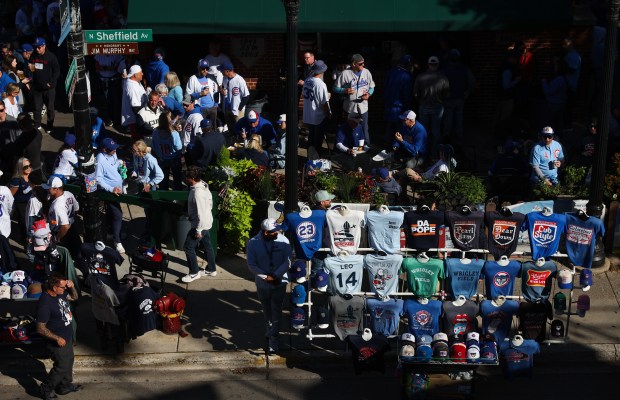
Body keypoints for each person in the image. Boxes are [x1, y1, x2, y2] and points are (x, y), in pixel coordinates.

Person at [246, 218, 291, 354]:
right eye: (274, 232)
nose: (277, 233)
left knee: (276, 310)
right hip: (262, 284)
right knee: (266, 309)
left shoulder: (284, 241)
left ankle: (273, 338)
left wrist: (276, 275)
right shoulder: (253, 243)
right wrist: (266, 277)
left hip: (280, 282)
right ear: (266, 233)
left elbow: (287, 261)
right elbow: (251, 265)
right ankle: (270, 328)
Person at [36, 272, 82, 400]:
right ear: (54, 287)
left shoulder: (60, 294)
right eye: (63, 287)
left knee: (69, 362)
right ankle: (45, 388)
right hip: (57, 342)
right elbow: (40, 328)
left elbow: (75, 298)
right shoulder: (45, 304)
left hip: (66, 337)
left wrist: (71, 287)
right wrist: (57, 338)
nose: (65, 288)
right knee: (61, 366)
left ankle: (64, 386)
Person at [181, 166, 217, 283]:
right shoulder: (203, 184)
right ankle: (211, 269)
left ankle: (194, 272)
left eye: (186, 177)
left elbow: (201, 212)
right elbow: (209, 204)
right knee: (207, 245)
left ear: (192, 178)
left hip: (200, 224)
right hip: (206, 222)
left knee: (188, 246)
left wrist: (198, 230)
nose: (184, 179)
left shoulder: (197, 193)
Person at [334, 53, 375, 144]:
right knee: (349, 129)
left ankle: (366, 148)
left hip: (363, 107)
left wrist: (368, 94)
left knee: (364, 128)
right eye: (360, 64)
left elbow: (372, 87)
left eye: (363, 63)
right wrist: (344, 90)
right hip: (350, 107)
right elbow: (335, 88)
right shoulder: (345, 73)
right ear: (354, 64)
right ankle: (349, 148)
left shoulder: (366, 72)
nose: (363, 65)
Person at [413, 56, 450, 156]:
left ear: (428, 64)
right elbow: (446, 94)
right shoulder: (443, 77)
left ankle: (423, 152)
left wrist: (420, 100)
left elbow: (415, 93)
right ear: (437, 65)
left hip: (424, 106)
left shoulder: (421, 76)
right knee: (436, 131)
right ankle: (434, 153)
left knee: (423, 131)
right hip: (438, 107)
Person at [95, 138, 125, 253]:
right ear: (104, 149)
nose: (114, 150)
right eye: (111, 149)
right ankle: (117, 241)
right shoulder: (100, 160)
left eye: (115, 148)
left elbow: (115, 163)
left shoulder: (114, 153)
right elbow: (98, 179)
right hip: (110, 192)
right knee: (118, 215)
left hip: (118, 190)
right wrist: (111, 189)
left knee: (111, 213)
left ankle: (110, 233)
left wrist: (120, 164)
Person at [441, 49, 476, 139]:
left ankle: (447, 137)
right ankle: (458, 137)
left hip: (449, 98)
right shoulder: (464, 69)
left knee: (448, 119)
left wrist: (443, 93)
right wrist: (468, 91)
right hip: (460, 97)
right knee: (459, 119)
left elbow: (438, 83)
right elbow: (472, 81)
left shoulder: (445, 69)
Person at [43, 176, 81, 256]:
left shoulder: (58, 206)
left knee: (64, 256)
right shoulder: (68, 193)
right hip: (73, 227)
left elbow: (65, 226)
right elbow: (77, 208)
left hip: (63, 233)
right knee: (77, 251)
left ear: (56, 189)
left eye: (49, 188)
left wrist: (57, 238)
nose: (47, 190)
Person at [30, 37, 60, 134]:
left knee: (50, 108)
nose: (37, 49)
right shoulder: (34, 55)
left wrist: (51, 82)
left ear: (44, 46)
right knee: (37, 107)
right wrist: (31, 73)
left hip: (49, 88)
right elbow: (31, 67)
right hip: (37, 87)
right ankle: (37, 124)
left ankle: (50, 125)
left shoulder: (51, 57)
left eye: (39, 47)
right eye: (35, 47)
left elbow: (57, 71)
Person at [302, 60, 331, 156]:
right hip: (318, 116)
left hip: (309, 115)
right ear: (322, 72)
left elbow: (307, 95)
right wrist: (328, 114)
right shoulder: (321, 84)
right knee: (317, 142)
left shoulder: (307, 80)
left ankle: (310, 158)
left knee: (311, 140)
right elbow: (323, 104)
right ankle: (315, 163)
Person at [383, 54, 414, 142]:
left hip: (389, 104)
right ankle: (396, 145)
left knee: (389, 126)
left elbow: (385, 86)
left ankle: (387, 143)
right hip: (400, 106)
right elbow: (407, 93)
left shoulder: (390, 72)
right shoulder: (407, 76)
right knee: (400, 128)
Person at [152, 111, 183, 190]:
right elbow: (178, 148)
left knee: (163, 180)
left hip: (162, 159)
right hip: (174, 159)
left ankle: (164, 198)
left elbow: (154, 146)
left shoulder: (155, 132)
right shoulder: (174, 133)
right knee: (177, 179)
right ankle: (179, 197)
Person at [185, 59, 219, 127]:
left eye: (207, 68)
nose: (205, 70)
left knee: (213, 128)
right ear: (198, 68)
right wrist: (200, 94)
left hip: (212, 108)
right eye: (203, 68)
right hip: (200, 109)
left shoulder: (211, 78)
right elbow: (187, 96)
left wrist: (216, 105)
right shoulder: (193, 79)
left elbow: (216, 92)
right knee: (201, 129)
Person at [94, 54, 125, 127]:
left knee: (115, 100)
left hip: (114, 80)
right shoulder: (99, 55)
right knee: (106, 101)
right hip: (103, 80)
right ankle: (108, 119)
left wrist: (107, 68)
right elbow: (97, 67)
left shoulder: (116, 55)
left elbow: (118, 67)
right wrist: (109, 68)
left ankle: (116, 120)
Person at [219, 62, 249, 134]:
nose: (221, 72)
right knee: (231, 131)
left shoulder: (240, 80)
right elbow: (223, 88)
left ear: (227, 71)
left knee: (240, 131)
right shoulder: (225, 78)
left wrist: (239, 108)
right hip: (227, 109)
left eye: (222, 71)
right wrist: (222, 91)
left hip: (237, 111)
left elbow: (246, 96)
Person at [9, 157, 33, 241]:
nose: (29, 168)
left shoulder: (30, 176)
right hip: (21, 206)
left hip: (30, 204)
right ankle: (24, 241)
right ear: (20, 168)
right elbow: (10, 195)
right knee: (24, 224)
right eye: (26, 167)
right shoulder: (16, 180)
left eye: (30, 165)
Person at [121, 65, 147, 140]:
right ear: (135, 75)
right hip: (135, 120)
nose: (142, 74)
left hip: (135, 119)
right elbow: (135, 108)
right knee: (138, 141)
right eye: (140, 72)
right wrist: (143, 120)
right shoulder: (132, 88)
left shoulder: (134, 81)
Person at [0, 169, 15, 238]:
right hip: (4, 224)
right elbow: (10, 206)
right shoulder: (6, 190)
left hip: (4, 224)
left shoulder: (5, 190)